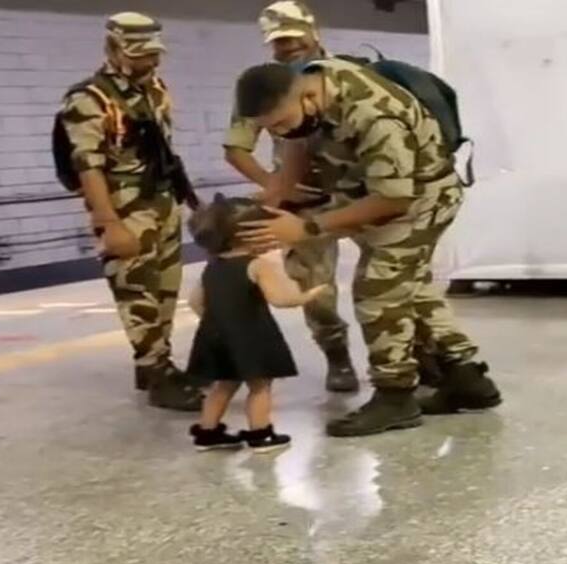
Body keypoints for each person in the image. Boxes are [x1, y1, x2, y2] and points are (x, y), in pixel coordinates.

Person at [234, 62, 503, 437]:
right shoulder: (309, 90)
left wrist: (308, 227)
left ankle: (396, 397)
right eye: (270, 128)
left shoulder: (375, 115)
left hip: (421, 200)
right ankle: (467, 379)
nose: (278, 132)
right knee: (412, 288)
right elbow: (298, 140)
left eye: (280, 122)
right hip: (369, 193)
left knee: (378, 290)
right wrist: (280, 191)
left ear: (309, 97)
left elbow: (395, 200)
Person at [60, 12, 201, 411]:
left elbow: (161, 148)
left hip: (161, 201)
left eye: (154, 54)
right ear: (113, 49)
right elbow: (87, 165)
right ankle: (157, 373)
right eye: (139, 55)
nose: (150, 62)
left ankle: (155, 362)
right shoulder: (88, 98)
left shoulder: (155, 89)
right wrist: (108, 223)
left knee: (165, 291)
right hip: (124, 208)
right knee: (136, 291)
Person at [223, 1, 361, 393]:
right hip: (305, 203)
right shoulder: (265, 87)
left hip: (358, 193)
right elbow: (236, 148)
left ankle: (418, 355)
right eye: (278, 42)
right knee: (315, 291)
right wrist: (276, 184)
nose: (287, 47)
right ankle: (338, 357)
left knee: (389, 280)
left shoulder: (346, 74)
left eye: (292, 37)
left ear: (313, 31)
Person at [186, 194, 327, 453]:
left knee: (223, 384)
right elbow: (281, 299)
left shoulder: (212, 267)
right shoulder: (257, 265)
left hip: (217, 335)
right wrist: (306, 294)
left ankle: (207, 433)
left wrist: (218, 319)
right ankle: (260, 433)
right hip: (250, 335)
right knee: (260, 386)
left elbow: (195, 302)